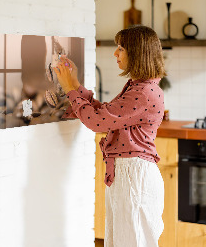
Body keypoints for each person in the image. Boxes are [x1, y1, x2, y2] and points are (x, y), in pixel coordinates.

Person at [54, 25, 166, 247]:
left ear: (137, 53)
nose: (115, 53)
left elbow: (97, 122)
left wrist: (69, 89)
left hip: (134, 176)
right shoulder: (139, 87)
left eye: (121, 48)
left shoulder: (143, 92)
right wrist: (75, 84)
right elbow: (105, 114)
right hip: (129, 174)